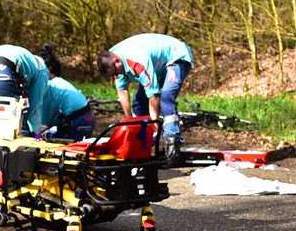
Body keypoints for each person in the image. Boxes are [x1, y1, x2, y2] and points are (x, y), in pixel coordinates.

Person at [99, 33, 195, 164]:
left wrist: (155, 123)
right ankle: (143, 143)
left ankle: (173, 144)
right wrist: (129, 121)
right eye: (113, 75)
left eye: (116, 73)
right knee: (139, 104)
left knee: (166, 97)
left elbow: (154, 96)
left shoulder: (137, 62)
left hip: (176, 56)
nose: (116, 76)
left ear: (116, 61)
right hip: (158, 65)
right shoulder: (113, 62)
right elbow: (122, 93)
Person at [34, 75, 95, 142]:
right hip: (88, 114)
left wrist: (36, 135)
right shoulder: (57, 81)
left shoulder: (45, 92)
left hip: (77, 120)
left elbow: (44, 124)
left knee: (69, 149)